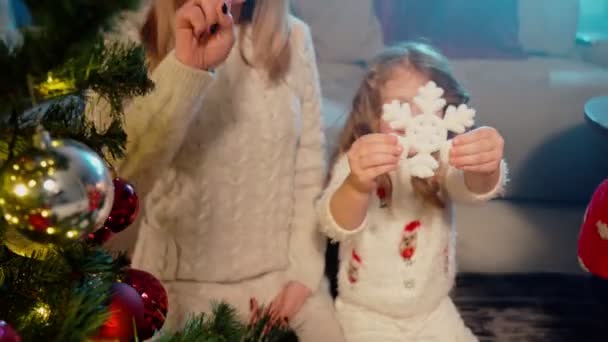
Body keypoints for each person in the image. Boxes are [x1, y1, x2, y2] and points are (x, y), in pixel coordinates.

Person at [94, 0, 344, 339]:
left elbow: (309, 169)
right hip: (170, 290)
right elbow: (121, 176)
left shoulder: (294, 37)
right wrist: (185, 69)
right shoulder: (131, 33)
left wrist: (303, 277)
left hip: (281, 285)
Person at [316, 42, 508, 342]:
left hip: (433, 311)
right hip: (367, 316)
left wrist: (485, 166)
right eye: (404, 107)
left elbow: (473, 189)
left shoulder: (442, 163)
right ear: (374, 114)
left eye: (427, 109)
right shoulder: (359, 164)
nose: (418, 124)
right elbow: (335, 225)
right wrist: (356, 185)